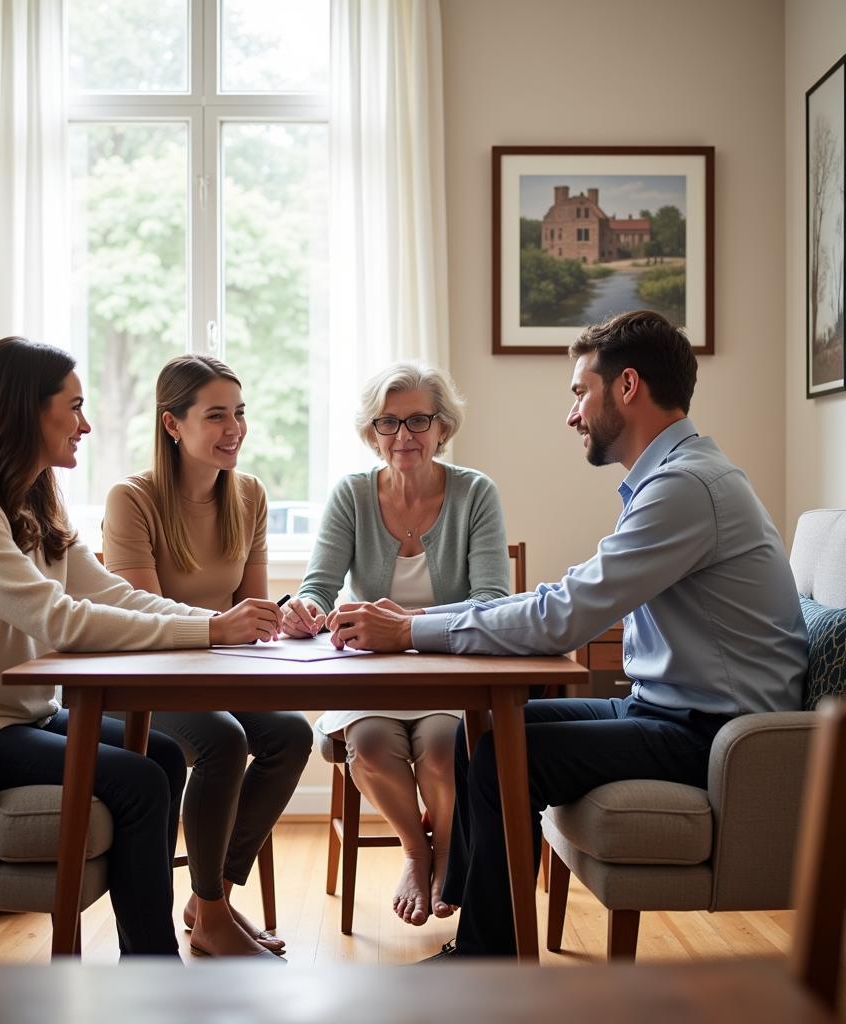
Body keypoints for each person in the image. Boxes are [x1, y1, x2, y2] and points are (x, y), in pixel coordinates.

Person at [324, 310, 809, 958]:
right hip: (670, 708)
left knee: (501, 758)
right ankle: (480, 924)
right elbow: (566, 598)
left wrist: (411, 628)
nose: (573, 414)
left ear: (627, 386)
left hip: (715, 733)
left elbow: (565, 616)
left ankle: (484, 961)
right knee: (489, 736)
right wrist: (418, 628)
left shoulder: (686, 488)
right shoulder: (674, 478)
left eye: (581, 391)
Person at [0, 337, 284, 960]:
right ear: (24, 411)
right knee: (143, 780)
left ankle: (152, 951)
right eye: (75, 406)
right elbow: (56, 617)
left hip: (12, 716)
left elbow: (111, 594)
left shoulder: (29, 496)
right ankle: (153, 968)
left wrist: (211, 624)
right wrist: (209, 629)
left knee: (164, 758)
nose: (86, 424)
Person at [283, 361, 510, 927]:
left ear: (442, 428)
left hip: (449, 673)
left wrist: (407, 623)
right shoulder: (351, 495)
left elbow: (492, 600)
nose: (403, 436)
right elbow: (318, 586)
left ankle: (444, 854)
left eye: (418, 421)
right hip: (373, 677)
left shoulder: (475, 492)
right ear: (372, 431)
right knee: (372, 749)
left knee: (440, 749)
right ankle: (420, 850)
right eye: (388, 422)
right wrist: (305, 608)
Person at [102, 354, 312, 959]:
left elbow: (250, 609)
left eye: (240, 414)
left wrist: (285, 614)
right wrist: (226, 625)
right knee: (221, 741)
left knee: (291, 736)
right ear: (173, 424)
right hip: (145, 675)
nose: (235, 430)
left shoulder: (249, 494)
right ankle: (214, 917)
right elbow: (142, 615)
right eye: (216, 415)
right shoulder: (131, 498)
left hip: (215, 672)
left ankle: (209, 896)